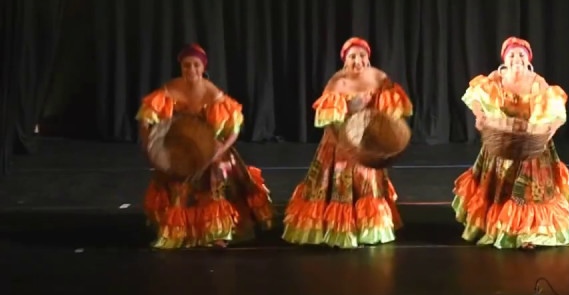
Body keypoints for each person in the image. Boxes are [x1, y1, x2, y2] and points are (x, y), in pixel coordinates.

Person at [136, 43, 273, 249]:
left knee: (216, 172)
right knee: (176, 175)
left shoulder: (211, 92)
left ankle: (217, 231)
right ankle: (180, 230)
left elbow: (234, 129)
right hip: (179, 146)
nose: (191, 70)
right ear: (181, 67)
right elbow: (145, 120)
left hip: (209, 148)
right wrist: (151, 147)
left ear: (203, 67)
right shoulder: (171, 88)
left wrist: (218, 149)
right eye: (186, 66)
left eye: (196, 66)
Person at [282, 37, 413, 248]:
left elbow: (390, 108)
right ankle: (339, 229)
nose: (357, 60)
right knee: (336, 185)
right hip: (340, 141)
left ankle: (367, 228)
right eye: (352, 56)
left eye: (362, 56)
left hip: (366, 140)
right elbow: (329, 121)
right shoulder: (338, 82)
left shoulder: (378, 77)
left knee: (367, 185)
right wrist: (345, 143)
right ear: (345, 60)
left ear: (368, 58)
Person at [452, 37, 569, 249]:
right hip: (503, 142)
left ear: (528, 58)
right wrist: (480, 115)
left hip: (530, 146)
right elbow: (476, 97)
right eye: (512, 55)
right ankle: (502, 227)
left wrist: (549, 131)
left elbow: (555, 111)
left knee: (525, 193)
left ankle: (527, 233)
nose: (516, 59)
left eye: (521, 54)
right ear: (505, 58)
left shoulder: (537, 81)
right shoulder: (497, 77)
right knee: (502, 190)